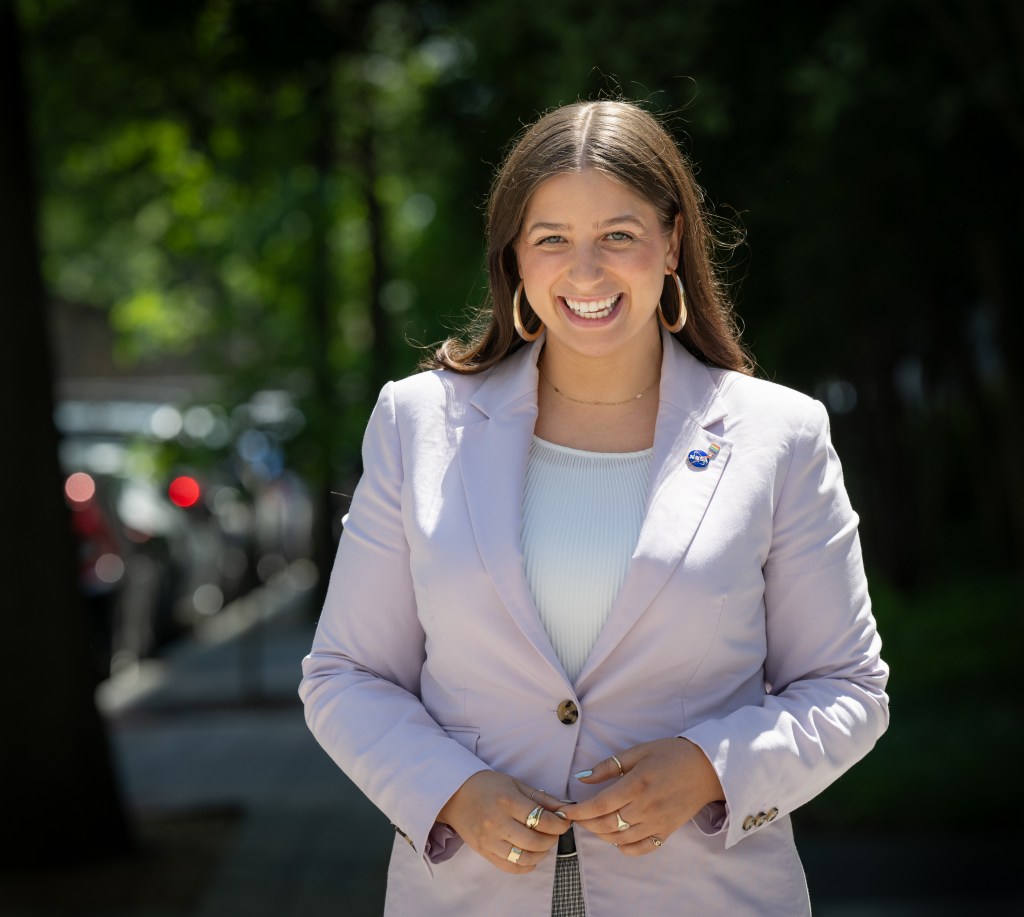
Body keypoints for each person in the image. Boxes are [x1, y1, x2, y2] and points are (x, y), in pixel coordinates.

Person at [299, 99, 889, 916]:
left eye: (618, 234)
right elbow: (346, 676)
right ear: (513, 253)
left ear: (672, 241)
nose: (585, 272)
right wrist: (453, 790)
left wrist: (710, 766)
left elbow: (848, 688)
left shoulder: (779, 434)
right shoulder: (415, 422)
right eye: (552, 239)